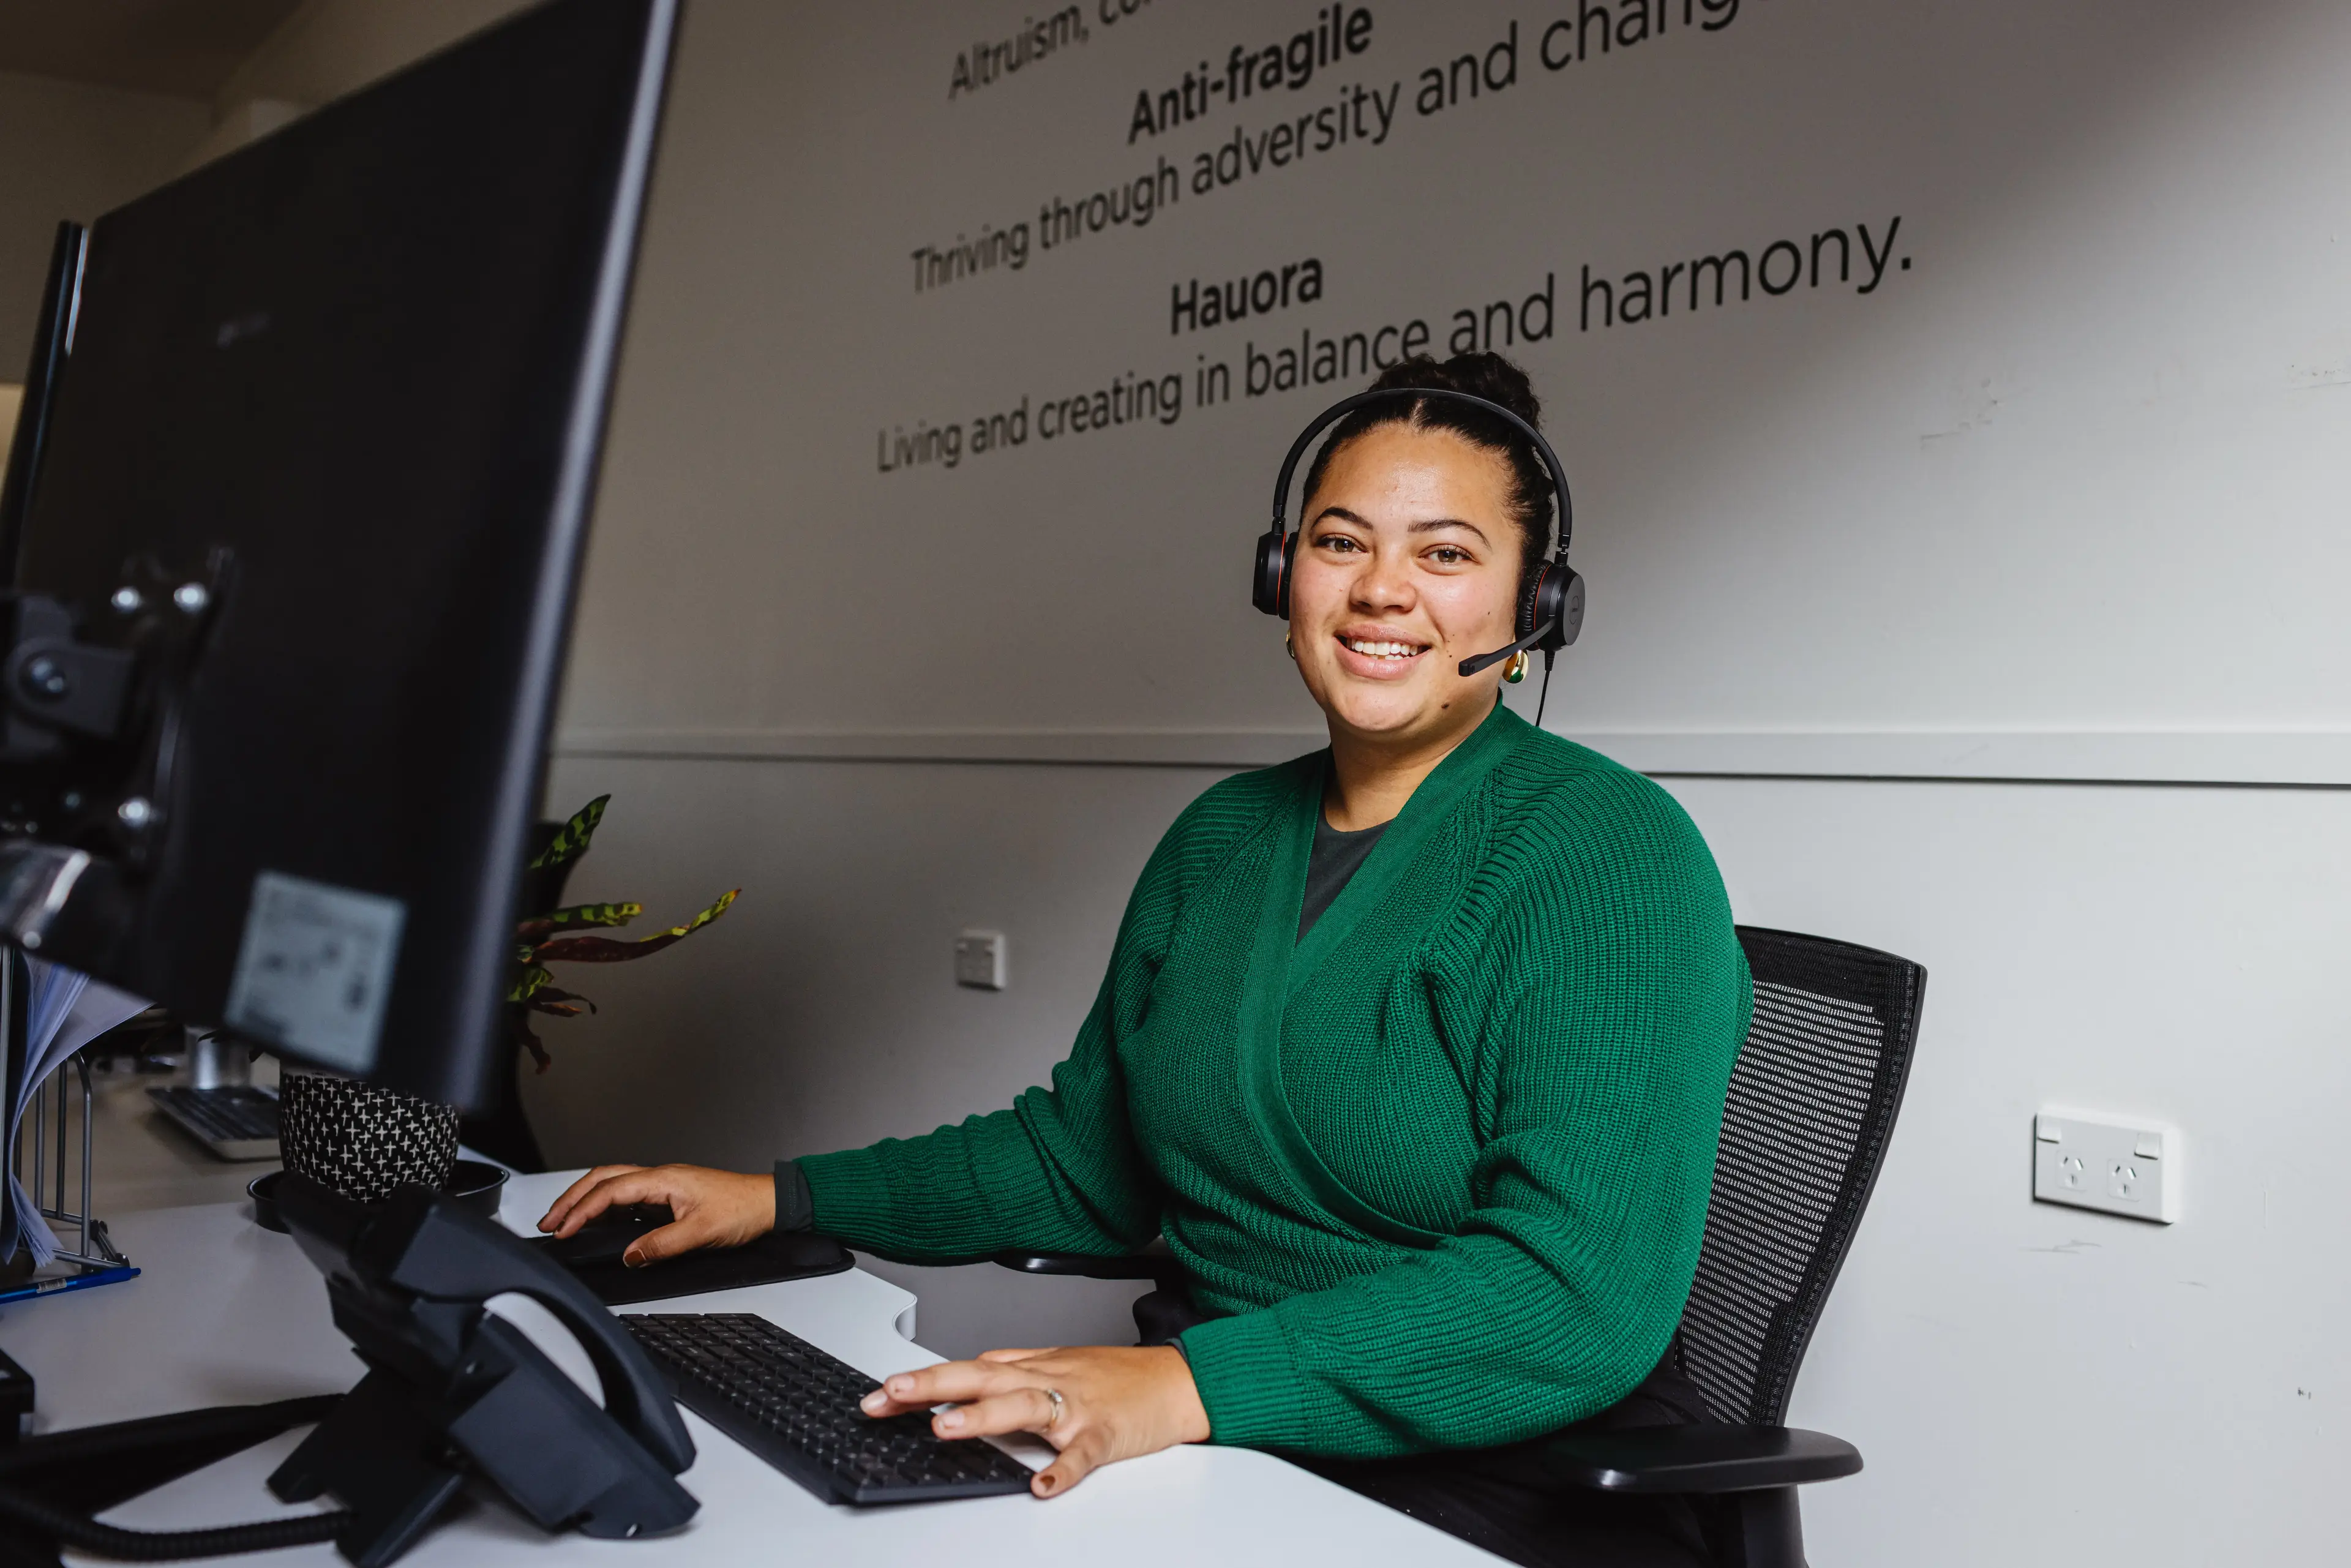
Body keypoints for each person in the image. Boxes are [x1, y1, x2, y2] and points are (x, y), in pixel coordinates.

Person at [540, 352, 1752, 1567]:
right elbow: (1086, 1160)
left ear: (1534, 604)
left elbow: (1573, 1298)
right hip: (1219, 1445)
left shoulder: (1607, 855)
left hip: (1494, 1491)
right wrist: (779, 1198)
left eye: (1445, 553)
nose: (1384, 590)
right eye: (1340, 543)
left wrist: (1181, 1384)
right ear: (1285, 579)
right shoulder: (1221, 838)